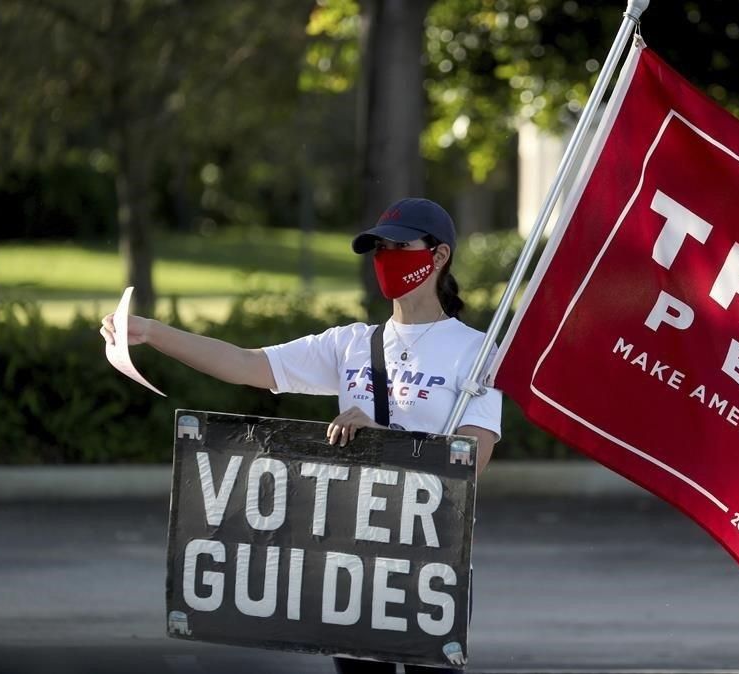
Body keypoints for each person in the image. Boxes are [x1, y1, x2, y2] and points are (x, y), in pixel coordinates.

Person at [100, 197, 502, 674]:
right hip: (349, 564)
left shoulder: (476, 350)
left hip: (431, 567)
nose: (386, 257)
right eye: (378, 248)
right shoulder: (350, 343)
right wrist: (153, 332)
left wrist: (381, 440)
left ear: (438, 257)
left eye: (400, 246)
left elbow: (472, 458)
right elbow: (246, 364)